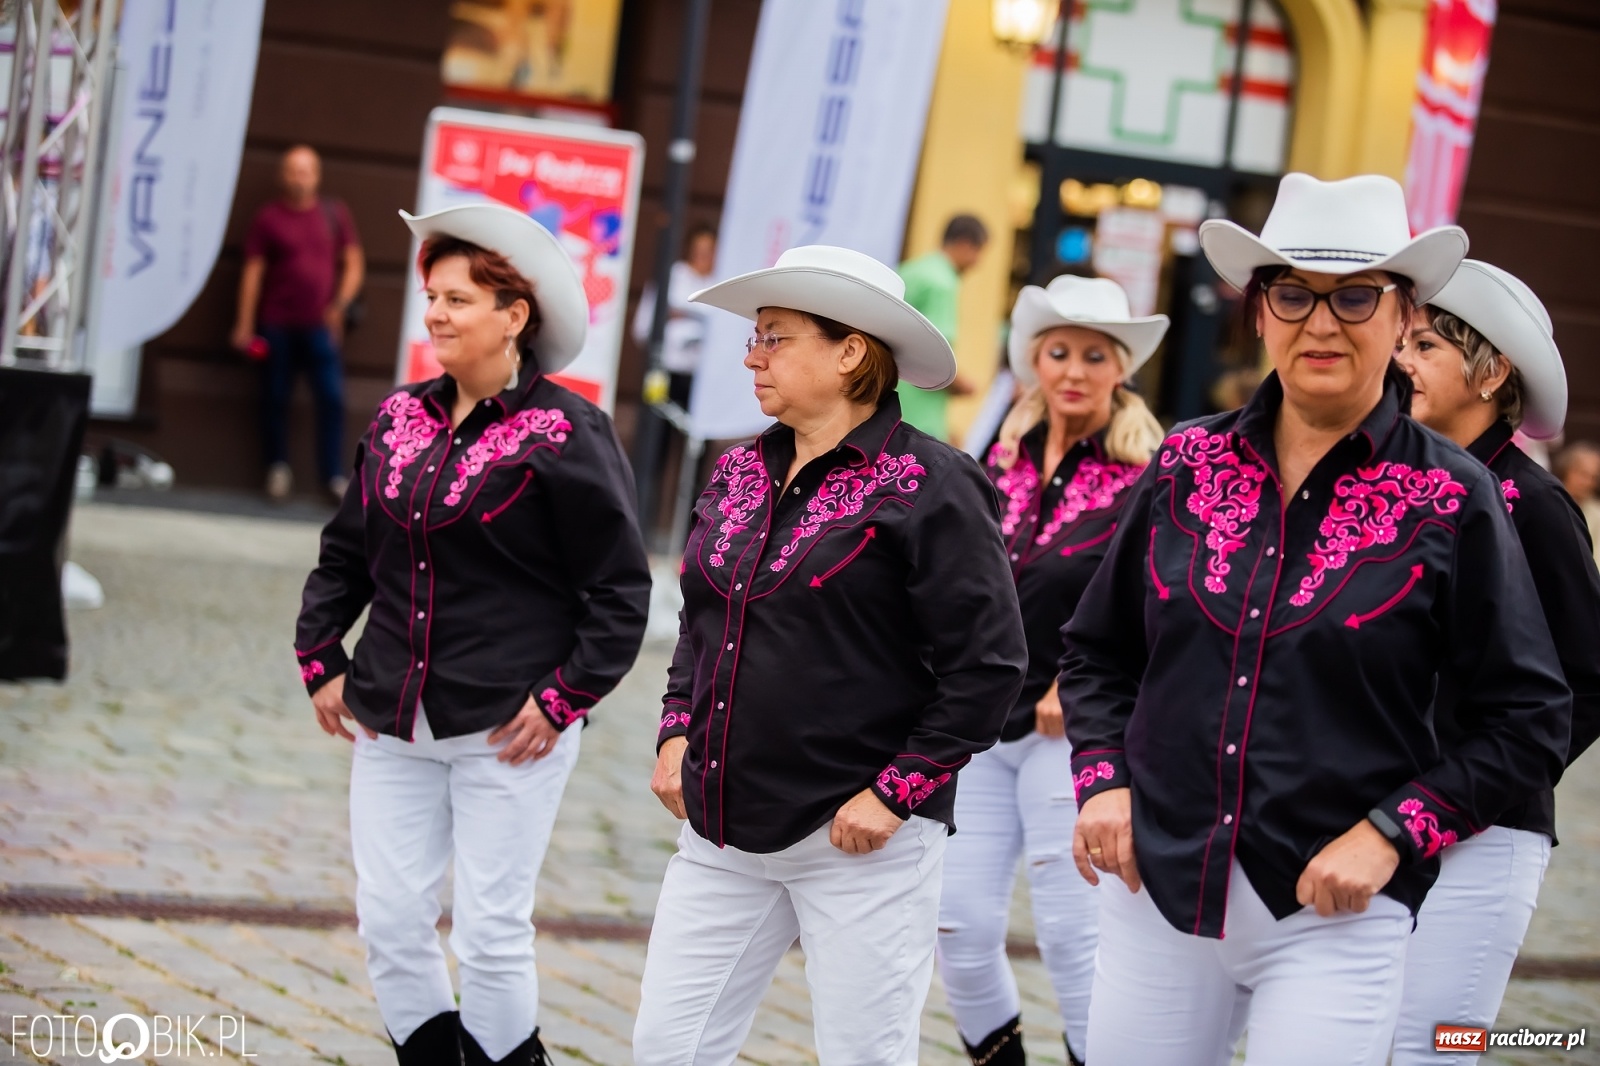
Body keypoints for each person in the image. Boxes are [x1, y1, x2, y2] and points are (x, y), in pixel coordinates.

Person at [1060, 173, 1572, 1066]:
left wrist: (1394, 832)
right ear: (1258, 311)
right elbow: (1098, 649)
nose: (1322, 323)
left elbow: (1530, 719)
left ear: (1403, 315)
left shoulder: (1457, 497)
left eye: (1355, 297)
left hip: (1334, 909)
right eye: (1292, 293)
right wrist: (1102, 779)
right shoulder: (1185, 462)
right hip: (1161, 885)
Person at [633, 245, 1028, 1065]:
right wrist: (677, 730)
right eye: (754, 336)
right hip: (722, 827)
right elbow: (704, 623)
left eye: (774, 336)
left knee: (864, 1057)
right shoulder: (739, 469)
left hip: (860, 837)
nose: (751, 354)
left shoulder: (936, 484)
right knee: (666, 1049)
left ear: (850, 350)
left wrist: (895, 794)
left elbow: (988, 668)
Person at [294, 203, 650, 1065]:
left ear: (514, 317)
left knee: (491, 933)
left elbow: (620, 589)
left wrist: (564, 700)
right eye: (432, 296)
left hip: (507, 730)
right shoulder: (396, 421)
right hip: (390, 717)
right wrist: (320, 661)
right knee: (388, 919)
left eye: (458, 298)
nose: (438, 314)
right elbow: (345, 556)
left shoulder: (568, 434)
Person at [940, 276, 1167, 1066]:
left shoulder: (1150, 477)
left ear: (1120, 369)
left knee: (1074, 934)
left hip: (1070, 732)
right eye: (1058, 351)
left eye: (1094, 355)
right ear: (1034, 361)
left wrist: (1077, 685)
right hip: (975, 722)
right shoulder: (995, 462)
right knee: (956, 924)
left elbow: (1164, 605)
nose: (1073, 369)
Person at [1391, 260, 1600, 1064]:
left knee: (1437, 1048)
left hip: (1485, 833)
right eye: (1400, 341)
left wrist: (1481, 782)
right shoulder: (1393, 485)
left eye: (1426, 344)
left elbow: (1586, 679)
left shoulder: (1538, 508)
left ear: (1491, 371)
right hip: (1371, 814)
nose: (1400, 359)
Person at [233, 145, 365, 502]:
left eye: (306, 171)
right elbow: (253, 273)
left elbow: (353, 262)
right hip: (276, 323)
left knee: (332, 398)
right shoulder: (268, 219)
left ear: (317, 175)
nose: (299, 178)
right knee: (274, 397)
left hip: (321, 325)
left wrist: (339, 305)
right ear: (282, 175)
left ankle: (333, 476)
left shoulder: (333, 213)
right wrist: (244, 324)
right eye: (293, 170)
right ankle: (276, 468)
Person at [896, 214, 987, 441]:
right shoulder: (942, 283)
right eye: (978, 252)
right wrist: (962, 385)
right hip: (918, 416)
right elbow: (933, 354)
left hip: (890, 401)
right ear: (965, 245)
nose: (978, 263)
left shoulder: (912, 270)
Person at [633, 222, 718, 409]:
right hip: (664, 371)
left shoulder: (721, 283)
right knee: (657, 428)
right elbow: (643, 326)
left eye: (709, 250)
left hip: (704, 378)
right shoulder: (671, 278)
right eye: (698, 250)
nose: (703, 256)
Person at [1554, 440, 1600, 562]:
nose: (1588, 482)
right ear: (1567, 470)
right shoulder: (1549, 500)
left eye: (1593, 477)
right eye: (1583, 474)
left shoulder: (1597, 514)